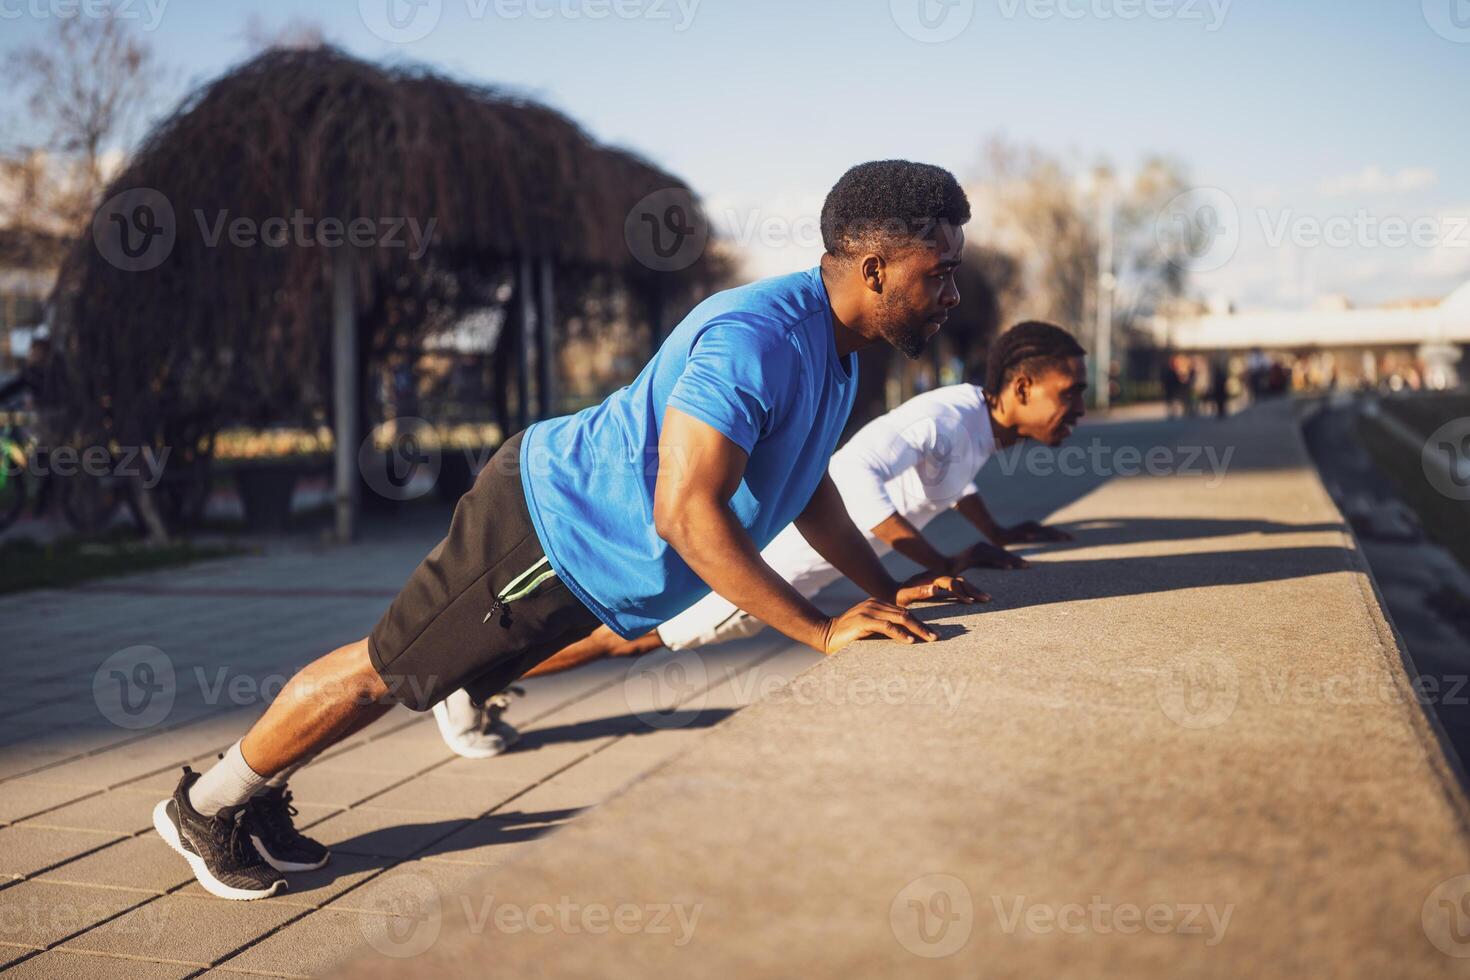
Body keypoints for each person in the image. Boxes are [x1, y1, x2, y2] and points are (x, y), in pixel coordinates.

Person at [152, 160, 984, 899]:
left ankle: (252, 798)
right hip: (548, 530)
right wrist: (821, 630)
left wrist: (890, 587)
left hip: (589, 557)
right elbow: (686, 512)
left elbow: (812, 493)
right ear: (874, 268)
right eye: (940, 272)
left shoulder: (838, 350)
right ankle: (207, 806)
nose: (951, 293)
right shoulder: (758, 339)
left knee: (421, 681)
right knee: (383, 671)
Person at [434, 321, 1088, 755]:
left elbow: (952, 484)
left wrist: (991, 533)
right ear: (1021, 387)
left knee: (628, 635)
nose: (1079, 408)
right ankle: (464, 684)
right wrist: (930, 564)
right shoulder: (947, 416)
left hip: (801, 570)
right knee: (629, 638)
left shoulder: (977, 426)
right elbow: (853, 471)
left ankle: (474, 677)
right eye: (1070, 393)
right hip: (767, 564)